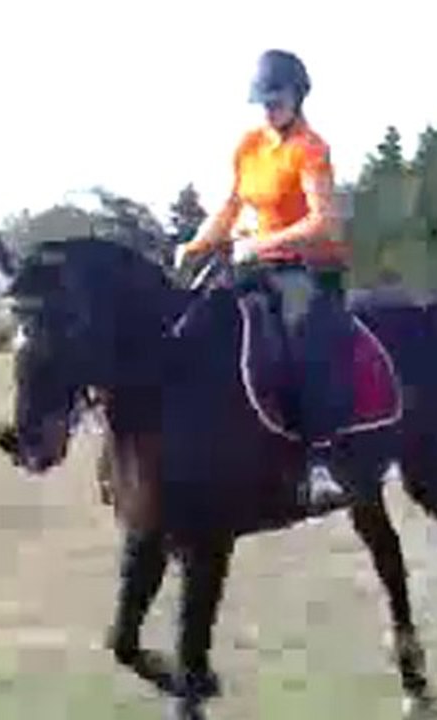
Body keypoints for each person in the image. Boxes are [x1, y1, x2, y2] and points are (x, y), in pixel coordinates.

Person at [175, 48, 352, 512]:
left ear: (298, 96)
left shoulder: (310, 149)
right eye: (264, 100)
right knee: (199, 320)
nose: (270, 109)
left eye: (278, 99)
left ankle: (320, 460)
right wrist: (194, 246)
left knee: (300, 334)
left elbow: (325, 223)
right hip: (257, 264)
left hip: (308, 268)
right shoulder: (249, 145)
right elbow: (230, 208)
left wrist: (262, 242)